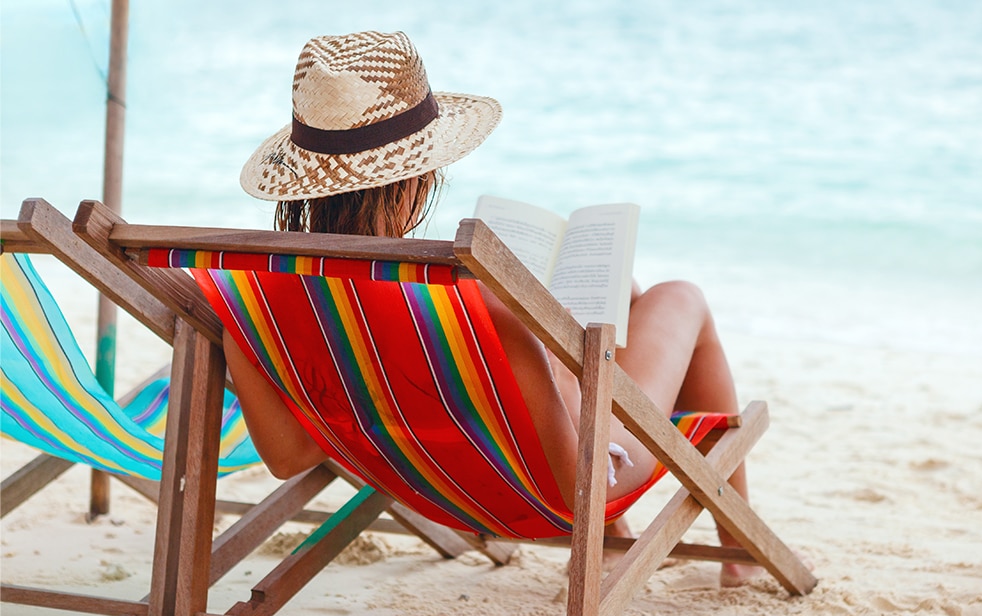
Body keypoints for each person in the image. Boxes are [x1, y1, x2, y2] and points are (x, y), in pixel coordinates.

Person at [227, 30, 759, 586]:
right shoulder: (470, 301)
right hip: (556, 491)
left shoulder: (254, 298)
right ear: (419, 176)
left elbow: (288, 457)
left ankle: (631, 540)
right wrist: (544, 344)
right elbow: (572, 479)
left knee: (624, 290)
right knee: (680, 296)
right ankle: (737, 548)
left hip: (429, 478)